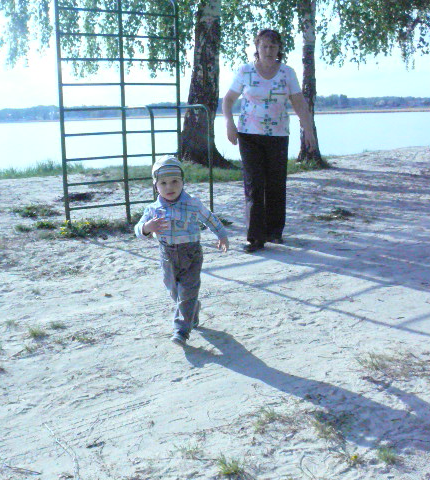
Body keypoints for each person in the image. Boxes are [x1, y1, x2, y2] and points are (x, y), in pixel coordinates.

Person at [222, 29, 318, 253]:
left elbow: (299, 103)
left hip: (278, 134)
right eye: (264, 46)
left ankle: (274, 231)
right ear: (257, 47)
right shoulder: (245, 71)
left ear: (279, 49)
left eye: (273, 46)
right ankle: (255, 238)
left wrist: (308, 130)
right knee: (254, 184)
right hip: (249, 135)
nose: (268, 50)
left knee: (275, 183)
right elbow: (228, 100)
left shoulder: (287, 73)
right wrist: (229, 123)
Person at [135, 156, 229, 346]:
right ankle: (192, 308)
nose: (169, 187)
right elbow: (138, 230)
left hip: (191, 253)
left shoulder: (192, 204)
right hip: (167, 255)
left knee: (187, 291)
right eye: (163, 183)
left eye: (175, 181)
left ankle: (181, 331)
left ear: (182, 182)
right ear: (156, 186)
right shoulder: (153, 209)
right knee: (174, 291)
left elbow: (209, 218)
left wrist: (222, 235)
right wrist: (147, 227)